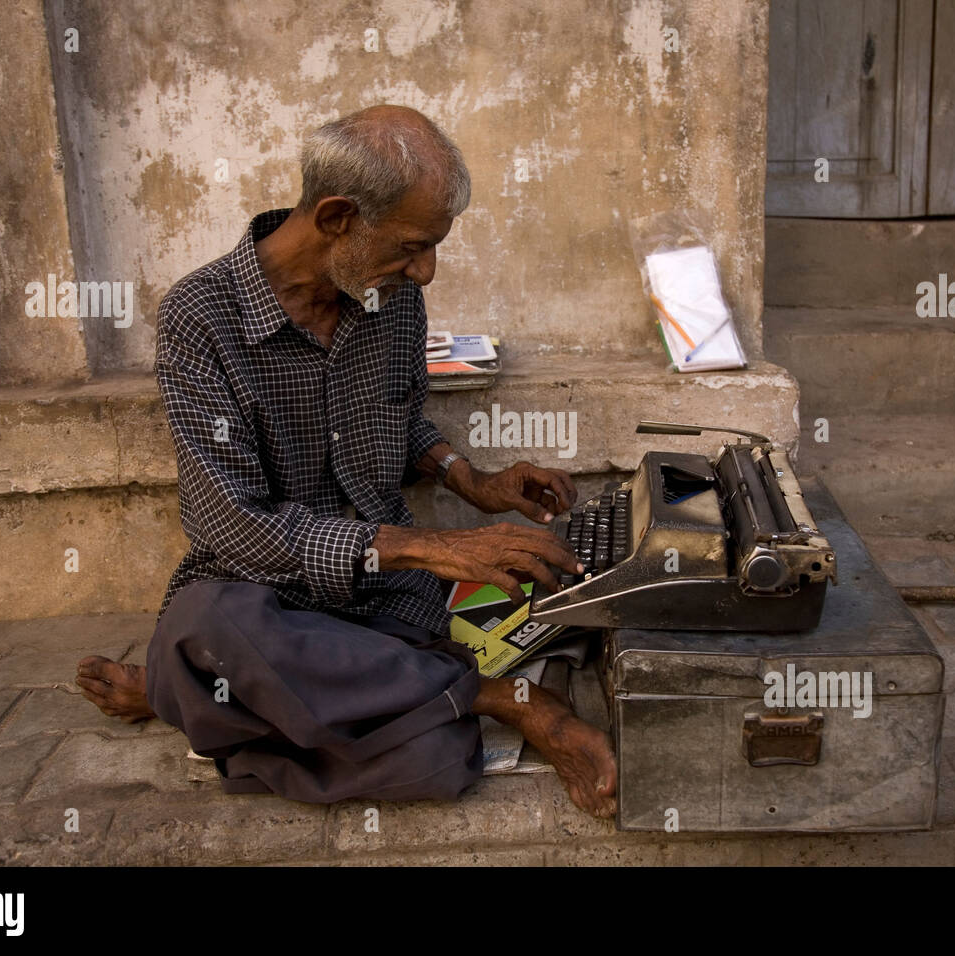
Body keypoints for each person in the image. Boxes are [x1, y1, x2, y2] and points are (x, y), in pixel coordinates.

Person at [77, 105, 616, 818]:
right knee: (205, 624)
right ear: (336, 218)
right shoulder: (200, 318)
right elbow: (228, 523)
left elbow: (402, 418)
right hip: (263, 606)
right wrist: (431, 547)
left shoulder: (388, 301)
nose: (425, 271)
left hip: (378, 616)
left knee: (438, 762)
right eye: (412, 246)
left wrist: (470, 479)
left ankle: (193, 700)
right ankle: (506, 700)